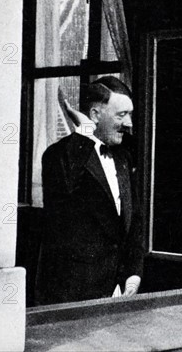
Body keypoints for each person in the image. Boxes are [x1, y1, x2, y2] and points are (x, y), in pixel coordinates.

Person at [35, 76, 144, 305]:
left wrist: (133, 274)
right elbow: (65, 196)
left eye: (130, 114)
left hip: (118, 294)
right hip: (73, 297)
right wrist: (85, 131)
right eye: (121, 115)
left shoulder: (123, 157)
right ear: (95, 116)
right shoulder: (58, 157)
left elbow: (133, 222)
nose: (130, 123)